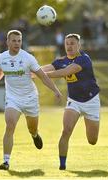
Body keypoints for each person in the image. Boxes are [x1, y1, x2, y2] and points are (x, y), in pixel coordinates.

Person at [0, 30, 62, 170]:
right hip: (12, 98)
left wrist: (55, 90)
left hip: (30, 98)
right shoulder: (1, 57)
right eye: (14, 40)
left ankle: (35, 134)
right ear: (7, 42)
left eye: (19, 40)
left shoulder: (28, 58)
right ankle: (6, 161)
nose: (17, 43)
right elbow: (0, 72)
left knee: (32, 128)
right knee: (10, 125)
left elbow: (42, 76)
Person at [42, 33, 100, 170]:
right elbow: (44, 68)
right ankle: (62, 166)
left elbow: (63, 72)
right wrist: (30, 71)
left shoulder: (84, 59)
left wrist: (39, 75)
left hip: (91, 101)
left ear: (79, 45)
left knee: (92, 140)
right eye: (67, 43)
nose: (69, 46)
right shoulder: (61, 60)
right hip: (74, 101)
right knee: (66, 131)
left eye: (72, 43)